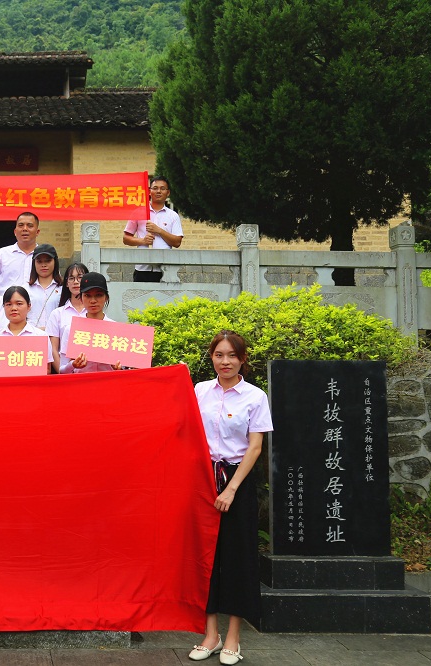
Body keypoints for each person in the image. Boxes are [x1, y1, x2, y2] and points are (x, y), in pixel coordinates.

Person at [188, 330, 272, 665]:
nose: (225, 362)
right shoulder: (199, 391)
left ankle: (233, 637)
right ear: (212, 357)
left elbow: (255, 447)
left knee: (238, 558)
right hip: (202, 481)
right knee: (205, 558)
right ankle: (211, 635)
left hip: (238, 481)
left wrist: (232, 488)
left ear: (243, 359)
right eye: (219, 355)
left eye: (232, 356)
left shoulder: (255, 397)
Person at [122, 176, 183, 282]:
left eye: (162, 188)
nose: (158, 191)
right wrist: (142, 241)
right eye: (155, 188)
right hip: (142, 268)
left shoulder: (173, 215)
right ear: (149, 191)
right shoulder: (138, 212)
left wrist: (159, 231)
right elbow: (126, 238)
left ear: (168, 193)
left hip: (165, 268)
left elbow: (177, 242)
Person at [62, 272, 123, 373]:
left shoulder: (117, 330)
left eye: (98, 295)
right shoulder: (71, 330)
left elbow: (126, 368)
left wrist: (118, 368)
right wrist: (73, 365)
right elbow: (62, 370)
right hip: (81, 382)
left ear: (106, 297)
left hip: (109, 381)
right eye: (87, 295)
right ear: (81, 298)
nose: (93, 300)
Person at [0, 285, 52, 374]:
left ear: (29, 306)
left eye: (19, 304)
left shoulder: (40, 336)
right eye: (9, 304)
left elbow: (47, 369)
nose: (14, 308)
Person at [46, 262, 87, 373]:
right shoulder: (57, 314)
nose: (76, 282)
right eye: (71, 278)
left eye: (80, 277)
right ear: (67, 283)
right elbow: (53, 349)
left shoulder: (94, 312)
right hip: (66, 374)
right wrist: (63, 373)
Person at [0, 211, 40, 294]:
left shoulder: (44, 255)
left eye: (30, 226)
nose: (25, 229)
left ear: (37, 232)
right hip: (6, 302)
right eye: (21, 225)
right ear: (15, 231)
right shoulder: (2, 254)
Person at [26, 244, 64, 330]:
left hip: (56, 335)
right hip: (32, 334)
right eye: (39, 261)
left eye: (48, 261)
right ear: (34, 263)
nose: (43, 265)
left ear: (55, 261)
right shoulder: (26, 289)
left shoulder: (63, 288)